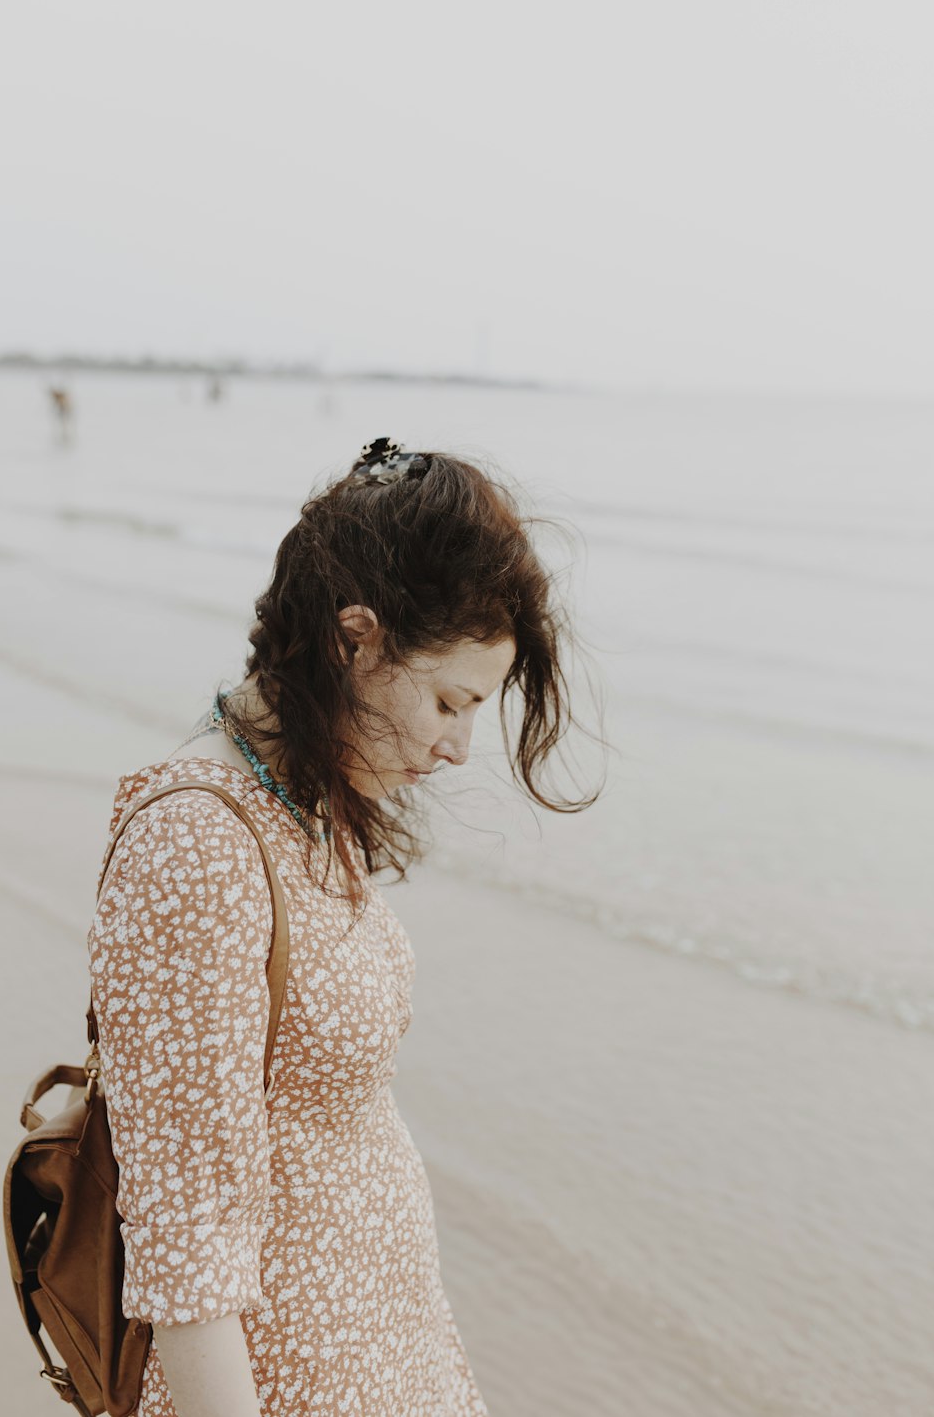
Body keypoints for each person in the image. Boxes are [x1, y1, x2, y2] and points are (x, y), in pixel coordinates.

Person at [88, 438, 597, 1417]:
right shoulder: (199, 844)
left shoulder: (304, 799)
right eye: (450, 702)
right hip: (290, 1384)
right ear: (354, 637)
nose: (457, 748)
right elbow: (187, 1260)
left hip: (388, 1356)